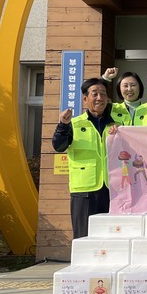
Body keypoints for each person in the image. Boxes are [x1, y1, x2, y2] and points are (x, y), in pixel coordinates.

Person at [52, 77, 115, 239]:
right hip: (84, 192)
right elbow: (59, 146)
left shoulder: (116, 125)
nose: (99, 98)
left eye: (103, 94)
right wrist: (63, 125)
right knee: (84, 237)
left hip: (112, 190)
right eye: (95, 94)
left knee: (112, 237)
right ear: (85, 99)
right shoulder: (74, 123)